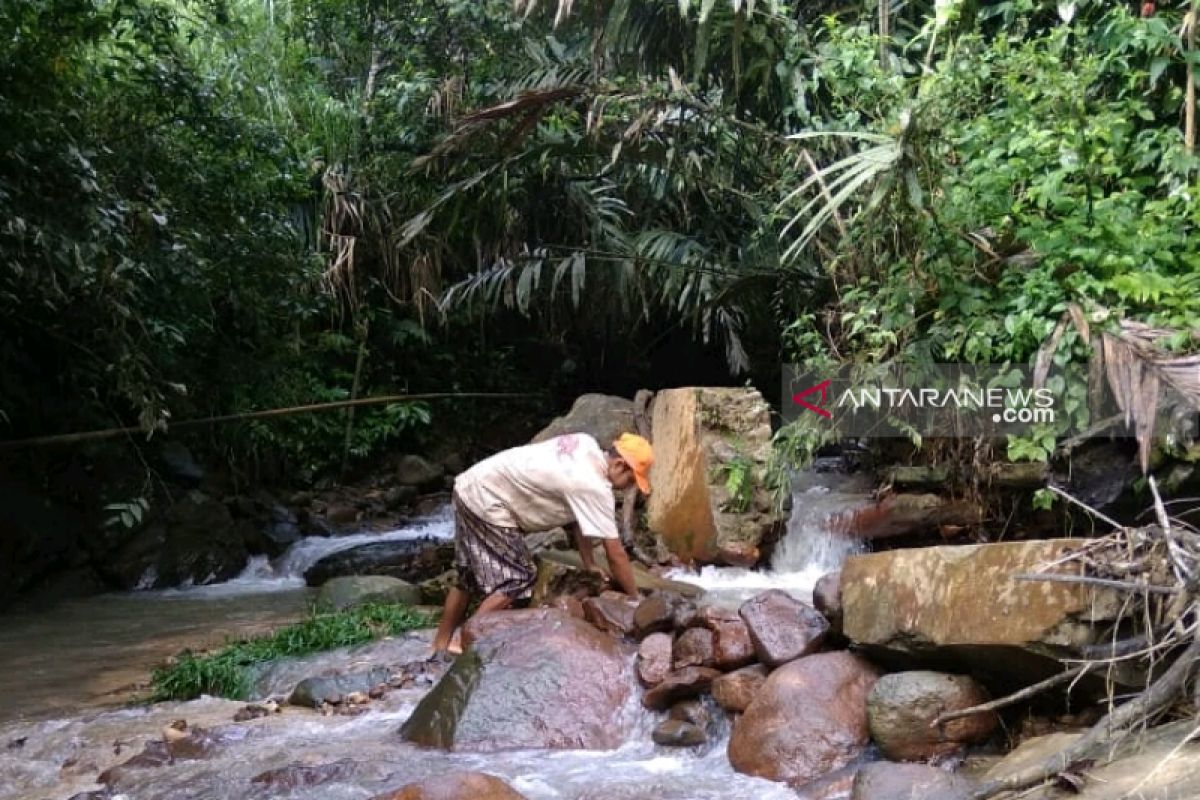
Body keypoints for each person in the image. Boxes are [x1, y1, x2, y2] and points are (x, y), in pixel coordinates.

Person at [429, 431, 653, 657]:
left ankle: (439, 644)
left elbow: (579, 517)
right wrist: (634, 599)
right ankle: (460, 643)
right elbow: (615, 553)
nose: (628, 488)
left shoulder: (585, 444)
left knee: (468, 578)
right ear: (619, 464)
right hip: (488, 503)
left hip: (470, 486)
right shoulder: (594, 486)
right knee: (518, 578)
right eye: (631, 480)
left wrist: (589, 563)